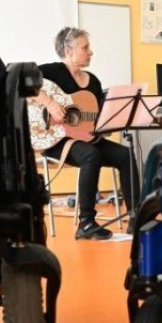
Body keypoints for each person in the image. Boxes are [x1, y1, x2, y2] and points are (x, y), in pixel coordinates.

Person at [35, 27, 140, 240]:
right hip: (56, 139)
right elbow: (19, 81)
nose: (91, 52)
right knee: (92, 154)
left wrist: (111, 121)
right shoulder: (51, 72)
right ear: (68, 50)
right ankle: (86, 223)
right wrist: (50, 103)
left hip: (86, 139)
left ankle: (136, 218)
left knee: (125, 155)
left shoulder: (93, 81)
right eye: (85, 47)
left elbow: (95, 120)